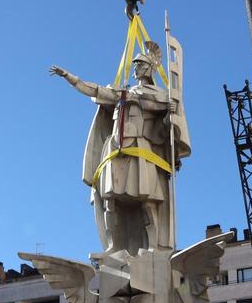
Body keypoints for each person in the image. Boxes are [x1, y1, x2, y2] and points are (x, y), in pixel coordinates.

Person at [50, 43, 190, 255]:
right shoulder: (122, 93)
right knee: (109, 199)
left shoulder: (160, 95)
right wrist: (71, 78)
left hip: (142, 149)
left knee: (148, 200)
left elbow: (164, 130)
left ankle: (153, 245)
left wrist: (171, 115)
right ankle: (113, 245)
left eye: (140, 64)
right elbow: (95, 90)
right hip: (115, 149)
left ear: (150, 68)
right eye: (135, 64)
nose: (136, 68)